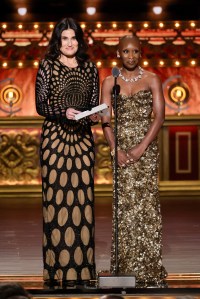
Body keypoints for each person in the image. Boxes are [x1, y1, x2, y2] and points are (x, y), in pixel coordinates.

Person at [35, 17, 100, 287]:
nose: (70, 43)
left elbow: (95, 104)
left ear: (80, 40)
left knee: (83, 204)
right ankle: (58, 273)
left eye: (74, 38)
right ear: (58, 41)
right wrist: (63, 112)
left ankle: (83, 273)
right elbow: (40, 105)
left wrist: (95, 115)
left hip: (83, 141)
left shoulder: (90, 67)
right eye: (65, 38)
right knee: (57, 203)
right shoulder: (48, 65)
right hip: (55, 141)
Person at [100, 35, 167, 288]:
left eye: (135, 52)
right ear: (118, 53)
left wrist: (141, 148)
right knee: (124, 207)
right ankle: (125, 266)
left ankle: (148, 266)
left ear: (141, 54)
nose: (130, 56)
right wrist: (115, 148)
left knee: (146, 207)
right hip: (119, 150)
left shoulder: (152, 79)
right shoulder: (109, 81)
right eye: (126, 52)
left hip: (145, 150)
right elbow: (105, 120)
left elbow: (159, 117)